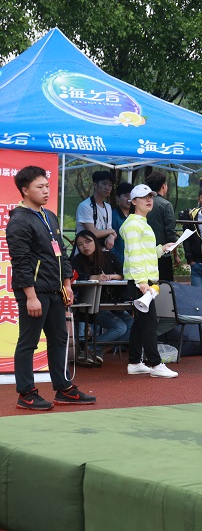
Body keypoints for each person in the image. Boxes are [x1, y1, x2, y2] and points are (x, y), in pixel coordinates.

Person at [8, 165, 96, 410]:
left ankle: (63, 388)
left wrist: (67, 283)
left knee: (59, 339)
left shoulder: (49, 216)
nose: (46, 191)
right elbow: (20, 262)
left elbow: (62, 254)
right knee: (28, 342)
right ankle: (26, 393)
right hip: (35, 293)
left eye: (47, 186)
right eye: (40, 187)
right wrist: (30, 296)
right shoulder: (19, 220)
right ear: (25, 190)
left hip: (56, 291)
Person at [119, 184, 179, 378]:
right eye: (144, 197)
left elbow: (143, 253)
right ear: (134, 201)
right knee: (149, 323)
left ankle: (135, 362)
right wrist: (142, 282)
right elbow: (135, 255)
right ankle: (155, 364)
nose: (149, 200)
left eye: (151, 196)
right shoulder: (133, 225)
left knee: (140, 323)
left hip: (144, 280)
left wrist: (161, 249)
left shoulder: (141, 223)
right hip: (141, 282)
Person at [71, 230, 133, 366]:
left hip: (114, 304)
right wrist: (93, 277)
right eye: (80, 244)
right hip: (90, 306)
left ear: (95, 241)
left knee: (132, 326)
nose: (84, 246)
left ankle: (96, 350)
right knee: (120, 327)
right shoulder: (77, 261)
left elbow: (124, 273)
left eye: (88, 241)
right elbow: (72, 277)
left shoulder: (109, 256)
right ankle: (91, 349)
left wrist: (110, 276)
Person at [144, 171, 179, 281]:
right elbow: (171, 234)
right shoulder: (165, 205)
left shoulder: (142, 203)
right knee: (164, 286)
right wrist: (176, 255)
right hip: (162, 255)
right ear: (164, 186)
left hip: (144, 254)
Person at [75, 169, 117, 251]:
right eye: (104, 184)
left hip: (102, 252)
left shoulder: (108, 207)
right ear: (95, 185)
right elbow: (92, 232)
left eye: (110, 185)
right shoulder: (85, 206)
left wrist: (112, 236)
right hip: (86, 253)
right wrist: (112, 231)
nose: (107, 188)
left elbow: (109, 230)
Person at [110, 181, 133, 264]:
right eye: (126, 196)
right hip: (118, 262)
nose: (129, 199)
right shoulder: (113, 216)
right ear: (117, 198)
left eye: (131, 196)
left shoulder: (135, 216)